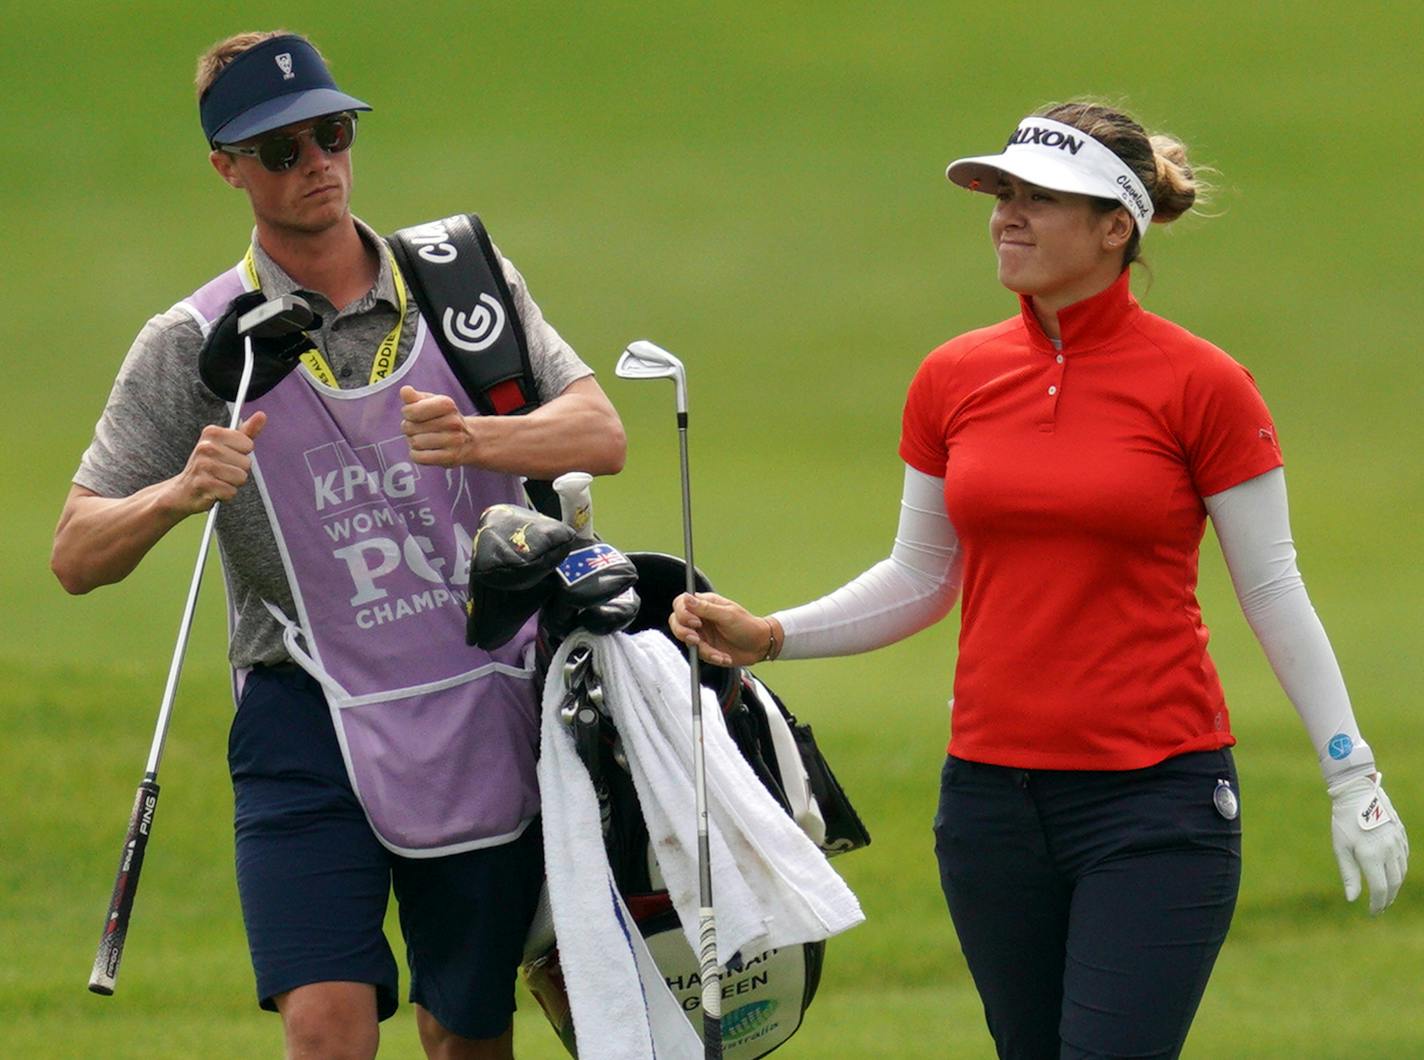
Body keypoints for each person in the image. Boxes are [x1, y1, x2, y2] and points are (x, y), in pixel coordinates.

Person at [671, 100, 1409, 1059]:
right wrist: (773, 635)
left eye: (1042, 198)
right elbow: (921, 576)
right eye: (1003, 194)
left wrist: (1352, 774)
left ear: (1117, 228)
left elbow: (1272, 588)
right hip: (989, 807)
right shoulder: (954, 377)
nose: (1007, 215)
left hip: (1156, 802)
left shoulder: (1203, 384)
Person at [52, 30, 625, 1060]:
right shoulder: (193, 342)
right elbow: (76, 553)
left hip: (479, 694)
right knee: (326, 1027)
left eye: (331, 132)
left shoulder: (460, 284)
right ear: (226, 168)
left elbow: (599, 432)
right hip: (300, 712)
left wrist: (478, 438)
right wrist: (180, 493)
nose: (316, 160)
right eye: (280, 149)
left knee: (466, 1033)